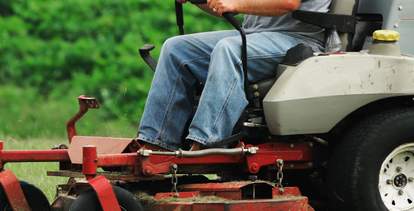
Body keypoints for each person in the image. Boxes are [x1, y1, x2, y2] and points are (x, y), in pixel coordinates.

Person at [137, 0, 333, 151]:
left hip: (298, 40)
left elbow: (287, 3)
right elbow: (227, 6)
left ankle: (207, 146)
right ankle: (156, 145)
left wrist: (235, 3)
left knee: (228, 49)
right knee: (176, 48)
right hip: (254, 35)